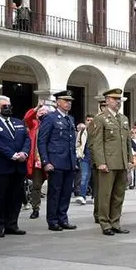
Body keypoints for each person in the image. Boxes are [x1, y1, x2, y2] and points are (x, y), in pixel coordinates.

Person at [0, 95, 30, 237]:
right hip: (0, 166)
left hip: (18, 167)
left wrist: (24, 152)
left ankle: (12, 225)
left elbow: (27, 139)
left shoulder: (18, 122)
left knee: (15, 197)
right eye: (5, 106)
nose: (8, 108)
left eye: (9, 105)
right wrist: (12, 154)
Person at [90, 88, 133, 236]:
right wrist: (100, 162)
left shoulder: (124, 119)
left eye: (119, 99)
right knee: (105, 195)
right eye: (115, 99)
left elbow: (127, 142)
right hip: (107, 163)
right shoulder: (100, 118)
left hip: (121, 163)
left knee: (119, 195)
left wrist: (129, 159)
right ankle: (105, 223)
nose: (118, 102)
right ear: (107, 101)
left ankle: (115, 222)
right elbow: (97, 143)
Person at [37, 91, 77, 231]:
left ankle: (63, 218)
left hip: (69, 161)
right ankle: (53, 220)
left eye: (70, 101)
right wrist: (45, 161)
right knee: (55, 193)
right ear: (57, 102)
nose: (69, 103)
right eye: (65, 100)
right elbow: (42, 141)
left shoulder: (70, 119)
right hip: (55, 161)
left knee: (66, 193)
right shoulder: (50, 118)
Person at [23, 100, 52, 219]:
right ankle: (35, 208)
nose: (42, 113)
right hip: (37, 161)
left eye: (44, 111)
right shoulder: (34, 124)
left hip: (52, 159)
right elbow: (27, 118)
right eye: (40, 111)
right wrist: (36, 108)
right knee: (36, 186)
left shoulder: (52, 123)